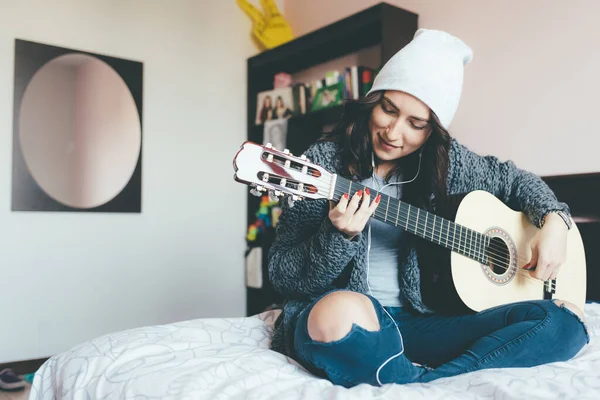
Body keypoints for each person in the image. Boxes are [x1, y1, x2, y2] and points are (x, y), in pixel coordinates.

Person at [267, 29, 589, 388]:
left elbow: (516, 181)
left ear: (432, 132)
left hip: (424, 324)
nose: (393, 131)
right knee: (338, 312)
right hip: (356, 320)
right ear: (372, 101)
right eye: (388, 110)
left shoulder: (450, 165)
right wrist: (337, 235)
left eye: (415, 124)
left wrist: (555, 221)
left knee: (566, 321)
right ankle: (423, 379)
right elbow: (282, 274)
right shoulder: (322, 164)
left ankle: (423, 383)